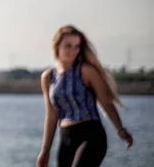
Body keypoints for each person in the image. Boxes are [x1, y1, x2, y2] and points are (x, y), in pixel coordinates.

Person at [36, 25, 134, 167]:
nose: (73, 50)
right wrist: (45, 151)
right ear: (57, 46)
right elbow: (51, 116)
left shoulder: (86, 71)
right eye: (68, 46)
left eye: (77, 46)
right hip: (66, 137)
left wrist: (120, 129)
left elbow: (106, 103)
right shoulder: (48, 77)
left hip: (91, 136)